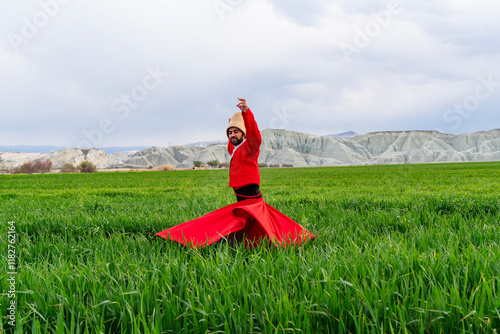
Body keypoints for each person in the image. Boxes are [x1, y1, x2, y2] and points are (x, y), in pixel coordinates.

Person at [156, 98, 314, 248]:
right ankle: (244, 242)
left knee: (254, 220)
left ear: (244, 134)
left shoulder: (250, 147)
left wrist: (246, 113)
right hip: (241, 196)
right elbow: (232, 142)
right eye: (230, 132)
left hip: (251, 195)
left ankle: (288, 237)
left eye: (236, 132)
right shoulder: (233, 149)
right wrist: (233, 122)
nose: (232, 135)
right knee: (247, 221)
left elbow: (254, 134)